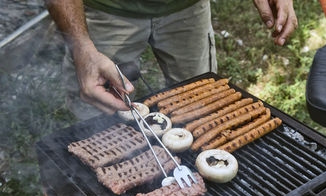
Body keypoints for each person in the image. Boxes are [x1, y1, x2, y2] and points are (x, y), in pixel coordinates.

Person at [45, 0, 298, 120]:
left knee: (205, 106)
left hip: (188, 8)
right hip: (105, 10)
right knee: (97, 117)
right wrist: (81, 46)